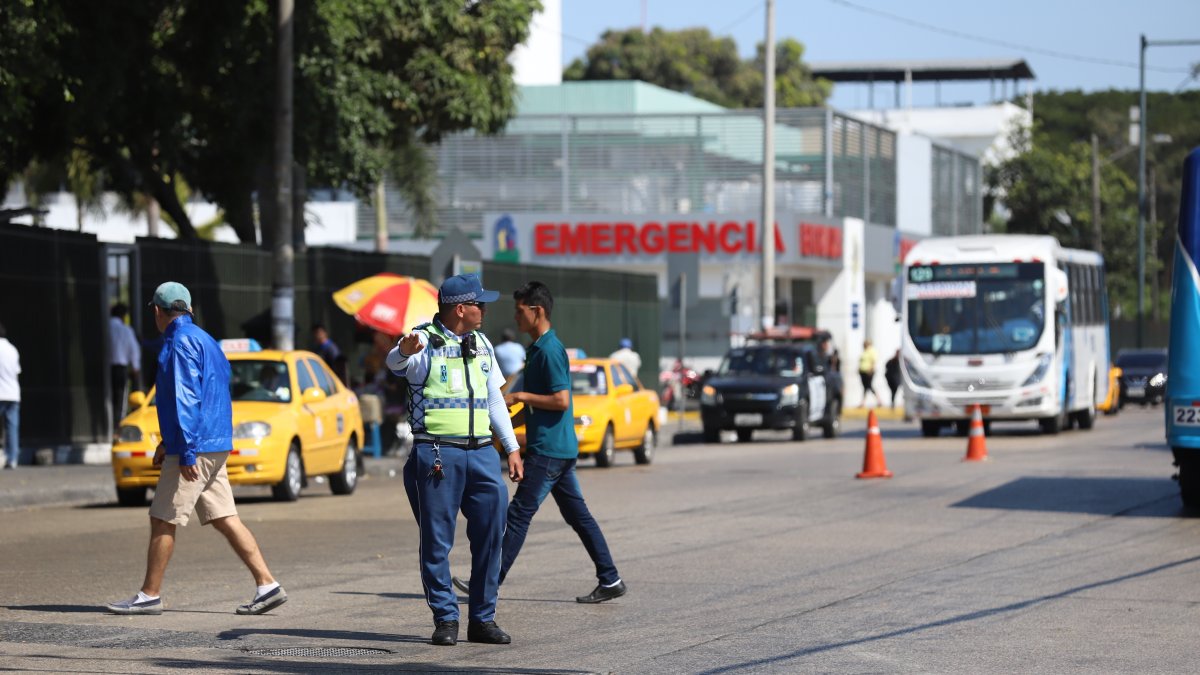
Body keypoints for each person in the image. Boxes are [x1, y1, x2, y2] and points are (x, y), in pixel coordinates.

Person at [106, 282, 287, 616]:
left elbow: (185, 398)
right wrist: (169, 441)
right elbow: (208, 393)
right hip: (215, 442)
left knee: (163, 518)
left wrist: (184, 449)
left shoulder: (178, 343)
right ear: (188, 309)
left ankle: (149, 594)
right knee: (225, 517)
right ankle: (268, 585)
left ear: (158, 311)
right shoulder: (207, 341)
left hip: (196, 447)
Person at [454, 281, 626, 605]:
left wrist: (518, 396)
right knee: (579, 517)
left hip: (547, 450)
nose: (515, 319)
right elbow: (538, 410)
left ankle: (487, 583)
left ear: (537, 311)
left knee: (518, 515)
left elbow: (560, 400)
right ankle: (610, 578)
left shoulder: (549, 350)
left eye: (520, 312)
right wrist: (503, 431)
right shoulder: (537, 349)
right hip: (556, 448)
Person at [386, 273, 524, 647]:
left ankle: (483, 619)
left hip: (482, 453)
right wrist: (403, 351)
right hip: (437, 454)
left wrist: (510, 447)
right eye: (479, 303)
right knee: (436, 542)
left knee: (491, 537)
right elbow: (396, 363)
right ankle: (446, 618)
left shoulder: (482, 343)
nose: (484, 309)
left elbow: (494, 399)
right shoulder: (422, 342)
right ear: (460, 308)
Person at [109, 303, 141, 436]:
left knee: (108, 400)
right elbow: (134, 350)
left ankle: (108, 428)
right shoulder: (125, 330)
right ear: (123, 316)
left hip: (105, 369)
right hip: (120, 368)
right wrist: (135, 367)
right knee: (120, 402)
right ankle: (118, 430)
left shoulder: (105, 328)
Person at [0, 322, 20, 469]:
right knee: (12, 427)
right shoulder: (13, 349)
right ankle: (12, 459)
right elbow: (16, 372)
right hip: (13, 393)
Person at [858, 339, 881, 408]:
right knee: (865, 387)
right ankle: (863, 402)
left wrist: (871, 369)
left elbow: (873, 361)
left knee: (869, 386)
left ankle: (878, 400)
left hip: (868, 372)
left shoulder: (871, 351)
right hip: (862, 371)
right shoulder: (864, 351)